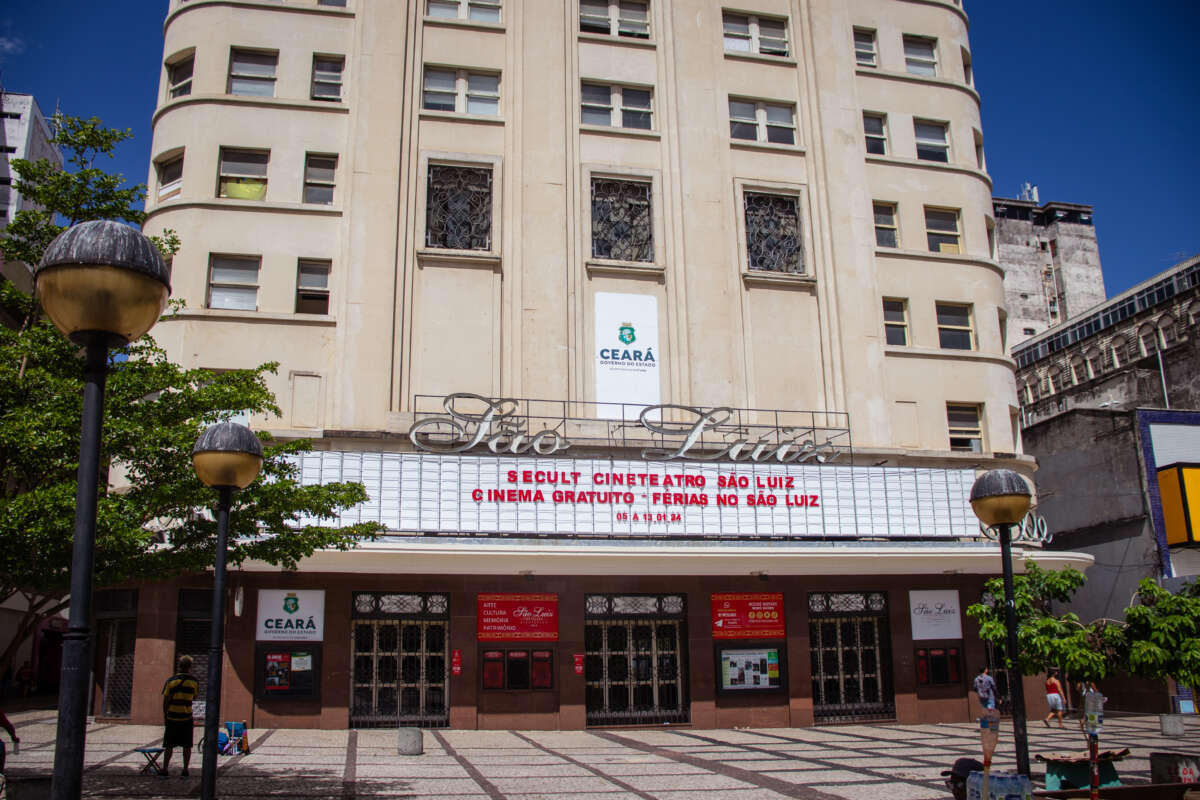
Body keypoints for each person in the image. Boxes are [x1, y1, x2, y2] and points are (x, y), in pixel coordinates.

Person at [161, 655, 199, 777]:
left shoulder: (171, 681)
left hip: (172, 717)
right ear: (190, 667)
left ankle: (165, 768)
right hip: (186, 717)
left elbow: (166, 700)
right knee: (187, 745)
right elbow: (194, 697)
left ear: (179, 666)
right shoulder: (194, 682)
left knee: (169, 745)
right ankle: (185, 769)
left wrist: (165, 715)